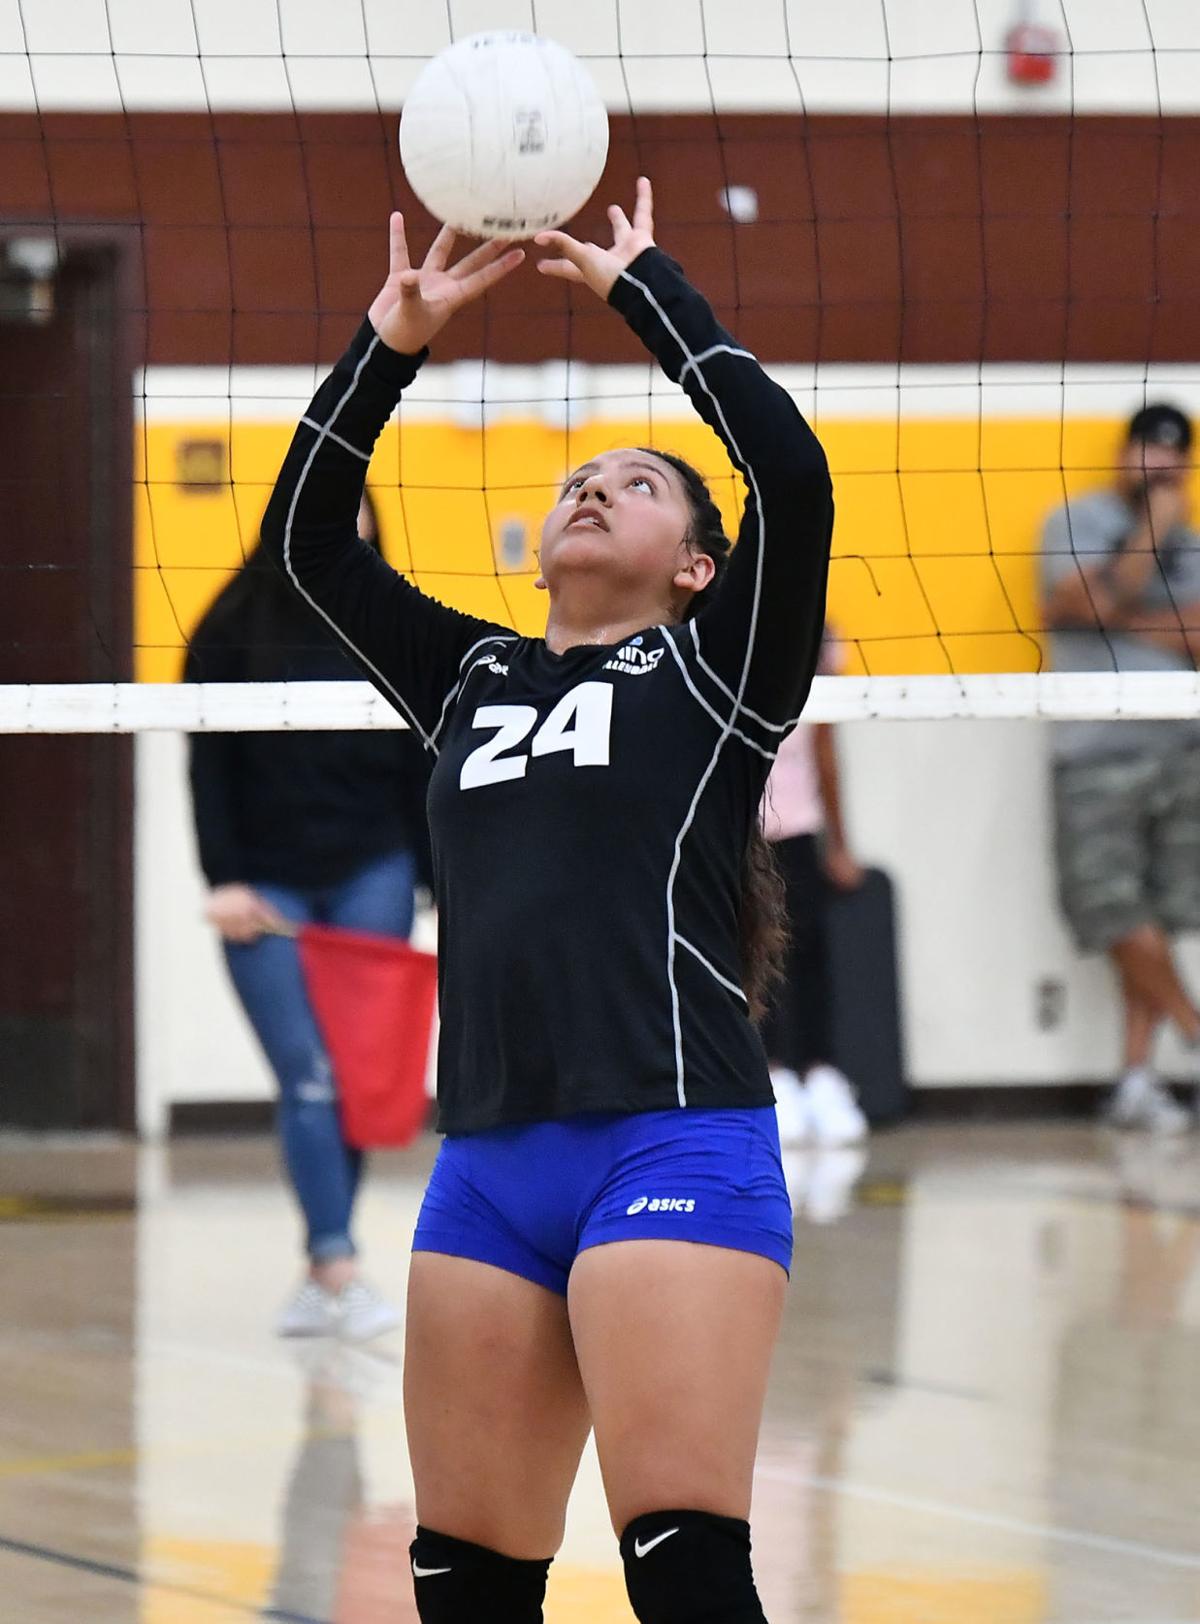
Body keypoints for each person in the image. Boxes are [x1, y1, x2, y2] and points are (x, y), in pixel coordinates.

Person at [259, 179, 833, 1623]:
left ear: (697, 568)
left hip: (675, 1132)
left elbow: (797, 481)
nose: (595, 485)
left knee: (684, 1567)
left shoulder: (718, 673)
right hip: (492, 1165)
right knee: (464, 1582)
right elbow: (308, 547)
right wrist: (392, 342)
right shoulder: (472, 677)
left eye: (639, 484)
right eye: (583, 477)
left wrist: (647, 295)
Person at [187, 491, 430, 1340]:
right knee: (310, 1075)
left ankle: (329, 1265)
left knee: (359, 1074)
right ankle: (337, 1261)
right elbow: (207, 764)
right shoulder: (229, 628)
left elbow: (420, 761)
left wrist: (438, 877)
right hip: (266, 886)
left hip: (374, 870)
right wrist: (223, 879)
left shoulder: (391, 626)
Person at [1040, 403, 1200, 1133]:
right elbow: (1071, 605)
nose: (1161, 467)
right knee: (1110, 908)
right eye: (1150, 451)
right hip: (1095, 750)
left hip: (1180, 748)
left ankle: (1136, 1079)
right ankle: (1195, 1033)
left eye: (1175, 457)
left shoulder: (1193, 543)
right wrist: (1149, 536)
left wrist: (1116, 612)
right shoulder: (1074, 522)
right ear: (1126, 453)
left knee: (1160, 917)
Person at [760, 630, 868, 1148]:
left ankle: (823, 1074)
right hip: (739, 830)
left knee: (810, 950)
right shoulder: (716, 632)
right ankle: (772, 1075)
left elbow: (826, 746)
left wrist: (839, 844)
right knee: (755, 959)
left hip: (798, 827)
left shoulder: (817, 640)